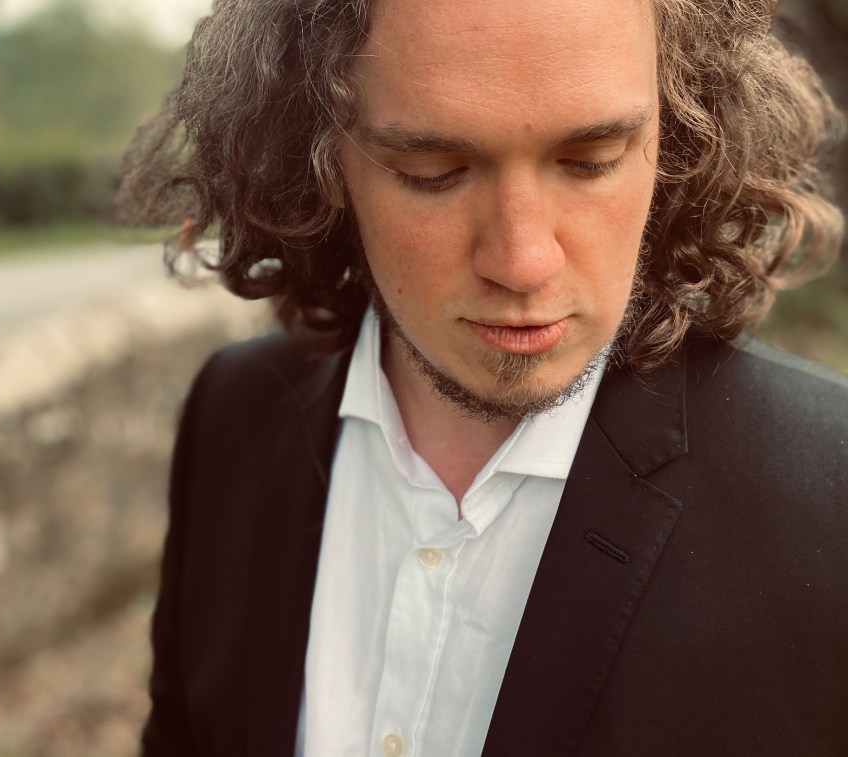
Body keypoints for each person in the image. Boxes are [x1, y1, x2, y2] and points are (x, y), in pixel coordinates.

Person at [120, 0, 848, 754]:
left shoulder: (831, 502)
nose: (523, 262)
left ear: (679, 137)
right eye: (434, 173)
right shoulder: (233, 413)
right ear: (318, 157)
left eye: (592, 161)